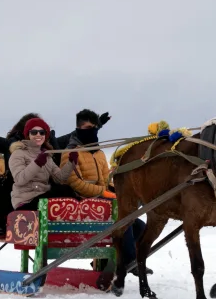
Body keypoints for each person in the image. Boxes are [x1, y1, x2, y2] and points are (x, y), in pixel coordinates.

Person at [61, 109, 151, 274]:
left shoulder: (100, 153)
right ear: (79, 129)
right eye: (89, 128)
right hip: (81, 203)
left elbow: (104, 181)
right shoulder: (70, 153)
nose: (93, 132)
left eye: (95, 128)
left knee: (139, 227)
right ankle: (129, 261)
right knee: (125, 219)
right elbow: (74, 183)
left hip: (101, 203)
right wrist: (103, 192)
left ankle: (116, 260)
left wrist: (119, 191)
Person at [9, 117, 80, 210]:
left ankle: (82, 210)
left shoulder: (47, 156)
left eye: (42, 132)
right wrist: (37, 163)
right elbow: (19, 179)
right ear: (28, 134)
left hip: (42, 197)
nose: (38, 135)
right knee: (64, 191)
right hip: (26, 202)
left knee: (65, 189)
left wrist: (71, 162)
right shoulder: (18, 153)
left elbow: (60, 178)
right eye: (34, 132)